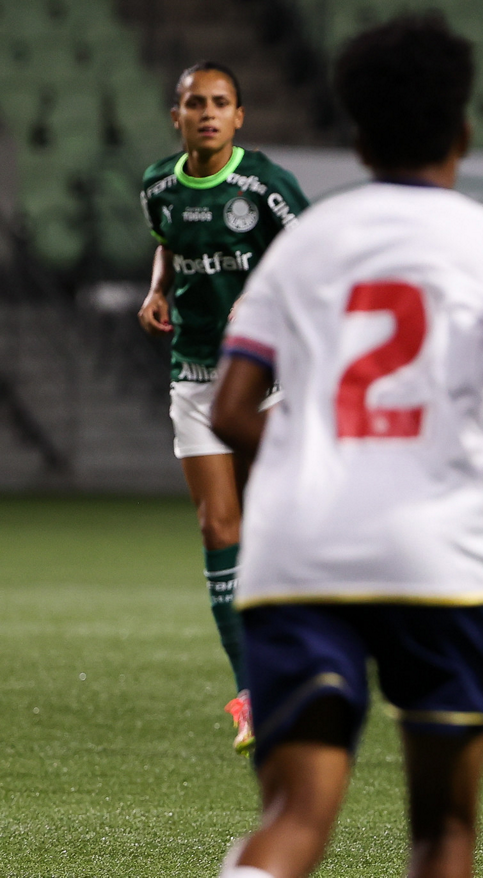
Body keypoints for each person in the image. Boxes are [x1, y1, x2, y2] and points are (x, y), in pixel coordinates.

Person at [208, 15, 483, 878]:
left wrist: (303, 458)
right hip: (433, 549)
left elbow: (229, 411)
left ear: (360, 141)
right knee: (442, 832)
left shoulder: (303, 246)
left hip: (298, 551)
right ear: (463, 132)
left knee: (294, 817)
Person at [138, 61, 310, 755]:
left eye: (220, 102)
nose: (207, 112)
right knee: (217, 526)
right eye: (195, 103)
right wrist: (158, 288)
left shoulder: (265, 185)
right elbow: (169, 245)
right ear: (176, 116)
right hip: (195, 373)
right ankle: (251, 692)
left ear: (239, 116)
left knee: (275, 522)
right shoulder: (158, 186)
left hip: (266, 373)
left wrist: (261, 297)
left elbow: (308, 256)